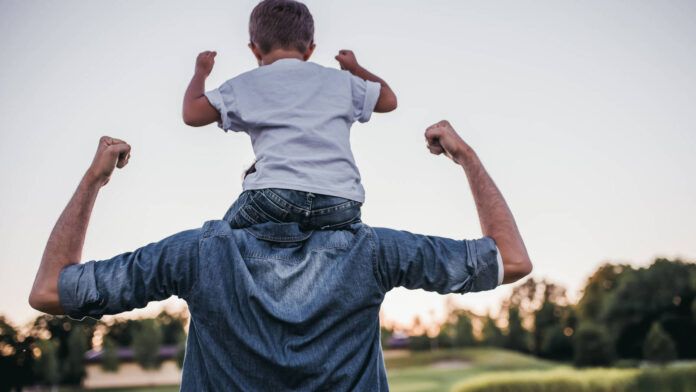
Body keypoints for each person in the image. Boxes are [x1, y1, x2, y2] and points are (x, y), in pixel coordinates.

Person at [29, 120, 532, 390]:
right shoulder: (373, 250)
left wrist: (95, 179)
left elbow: (51, 290)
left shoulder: (199, 254)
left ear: (250, 189)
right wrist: (466, 157)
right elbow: (511, 260)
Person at [182, 0, 398, 231]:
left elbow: (192, 114)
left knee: (220, 239)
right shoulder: (341, 81)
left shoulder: (247, 84)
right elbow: (388, 100)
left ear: (254, 48)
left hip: (275, 196)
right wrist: (355, 68)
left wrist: (201, 73)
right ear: (310, 49)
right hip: (341, 201)